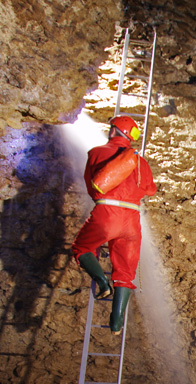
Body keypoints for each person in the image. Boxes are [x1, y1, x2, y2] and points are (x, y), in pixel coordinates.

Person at [71, 115, 156, 334]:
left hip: (107, 213)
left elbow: (93, 187)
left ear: (112, 131)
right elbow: (150, 190)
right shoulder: (141, 162)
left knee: (81, 247)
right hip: (132, 221)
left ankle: (102, 282)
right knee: (125, 273)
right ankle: (116, 323)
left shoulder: (97, 153)